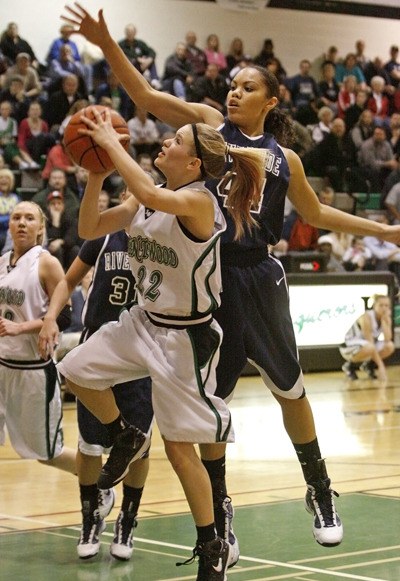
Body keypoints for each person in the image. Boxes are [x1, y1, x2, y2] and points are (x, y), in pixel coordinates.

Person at [61, 3, 400, 559]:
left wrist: (384, 229)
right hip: (209, 277)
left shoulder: (281, 155)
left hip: (257, 275)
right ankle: (219, 514)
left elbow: (315, 216)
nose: (235, 93)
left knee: (289, 388)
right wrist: (104, 42)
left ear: (271, 101)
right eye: (232, 85)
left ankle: (318, 487)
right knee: (211, 407)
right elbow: (145, 98)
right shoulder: (204, 127)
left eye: (247, 87)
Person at [41, 89, 265, 579]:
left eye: (175, 139)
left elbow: (151, 193)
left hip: (186, 338)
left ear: (194, 164)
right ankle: (125, 434)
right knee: (75, 368)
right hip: (143, 321)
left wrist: (107, 141)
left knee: (182, 450)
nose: (164, 142)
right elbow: (90, 225)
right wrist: (98, 174)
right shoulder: (143, 200)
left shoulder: (198, 201)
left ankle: (213, 548)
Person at [39, 190, 153, 560]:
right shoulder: (103, 235)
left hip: (141, 354)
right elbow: (67, 282)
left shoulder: (164, 238)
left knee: (140, 447)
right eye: (130, 191)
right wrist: (50, 318)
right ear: (121, 197)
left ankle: (128, 519)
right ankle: (90, 518)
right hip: (98, 348)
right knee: (89, 446)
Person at [0, 200, 76, 474]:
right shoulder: (2, 262)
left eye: (29, 218)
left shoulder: (46, 263)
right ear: (9, 224)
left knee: (46, 453)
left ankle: (96, 479)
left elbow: (64, 316)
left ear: (41, 227)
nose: (22, 222)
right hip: (2, 365)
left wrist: (22, 328)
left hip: (32, 370)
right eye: (16, 217)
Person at [340, 295, 394, 382]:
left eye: (386, 305)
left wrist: (385, 322)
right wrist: (381, 366)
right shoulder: (366, 317)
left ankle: (368, 365)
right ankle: (349, 366)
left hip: (367, 345)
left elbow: (388, 339)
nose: (384, 308)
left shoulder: (386, 318)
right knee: (370, 347)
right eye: (381, 305)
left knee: (389, 346)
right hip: (349, 346)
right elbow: (370, 342)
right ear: (374, 306)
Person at [0, 168, 20, 252]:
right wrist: (10, 218)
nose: (4, 180)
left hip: (12, 233)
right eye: (1, 177)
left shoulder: (16, 198)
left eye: (7, 178)